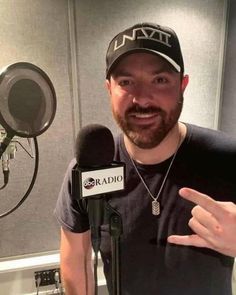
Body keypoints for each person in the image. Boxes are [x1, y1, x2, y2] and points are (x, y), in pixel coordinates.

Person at [54, 22, 236, 295]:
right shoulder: (90, 169)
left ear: (182, 85)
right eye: (126, 82)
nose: (141, 99)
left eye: (160, 80)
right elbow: (76, 259)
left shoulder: (227, 158)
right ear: (109, 88)